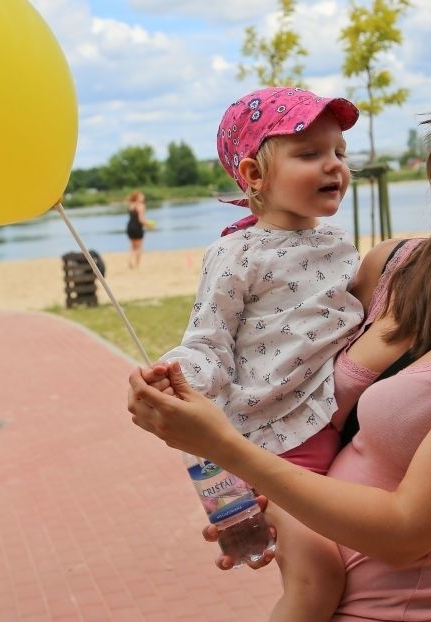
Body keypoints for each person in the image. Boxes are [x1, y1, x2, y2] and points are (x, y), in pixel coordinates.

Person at [129, 29, 431, 622]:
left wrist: (225, 446)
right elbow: (288, 381)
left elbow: (404, 531)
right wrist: (261, 493)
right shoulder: (390, 266)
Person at [143, 87, 366, 621]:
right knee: (317, 581)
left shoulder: (339, 243)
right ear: (255, 176)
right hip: (273, 447)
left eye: (339, 152)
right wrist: (177, 375)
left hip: (341, 434)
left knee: (357, 569)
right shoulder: (235, 253)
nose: (333, 165)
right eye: (310, 154)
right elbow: (208, 342)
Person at [126, 189, 147, 268]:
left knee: (132, 246)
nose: (143, 197)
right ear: (138, 197)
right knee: (139, 247)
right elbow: (141, 220)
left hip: (130, 227)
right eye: (141, 196)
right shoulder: (141, 206)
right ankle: (137, 264)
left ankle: (130, 259)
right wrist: (149, 225)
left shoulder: (131, 205)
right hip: (137, 227)